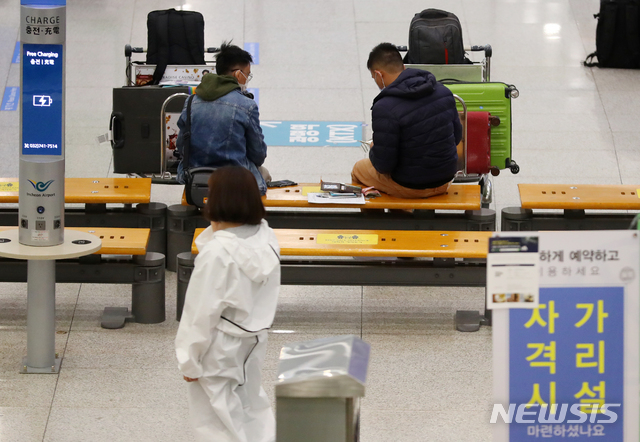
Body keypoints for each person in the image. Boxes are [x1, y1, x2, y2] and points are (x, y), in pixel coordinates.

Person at [175, 166, 280, 442]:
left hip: (219, 346)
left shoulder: (217, 254)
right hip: (254, 339)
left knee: (215, 421)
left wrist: (188, 360)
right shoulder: (266, 237)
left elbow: (200, 313)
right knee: (252, 407)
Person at [352, 42, 462, 198]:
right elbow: (456, 137)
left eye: (373, 77)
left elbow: (384, 165)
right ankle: (400, 214)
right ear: (403, 67)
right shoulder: (443, 91)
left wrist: (374, 148)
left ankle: (375, 222)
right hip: (446, 179)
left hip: (412, 185)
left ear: (379, 74)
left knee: (358, 170)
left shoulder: (385, 107)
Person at [175, 42, 271, 195]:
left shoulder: (191, 101)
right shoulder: (246, 105)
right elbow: (258, 153)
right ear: (238, 74)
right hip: (234, 180)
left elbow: (181, 146)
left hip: (195, 179)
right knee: (264, 174)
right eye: (247, 75)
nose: (246, 80)